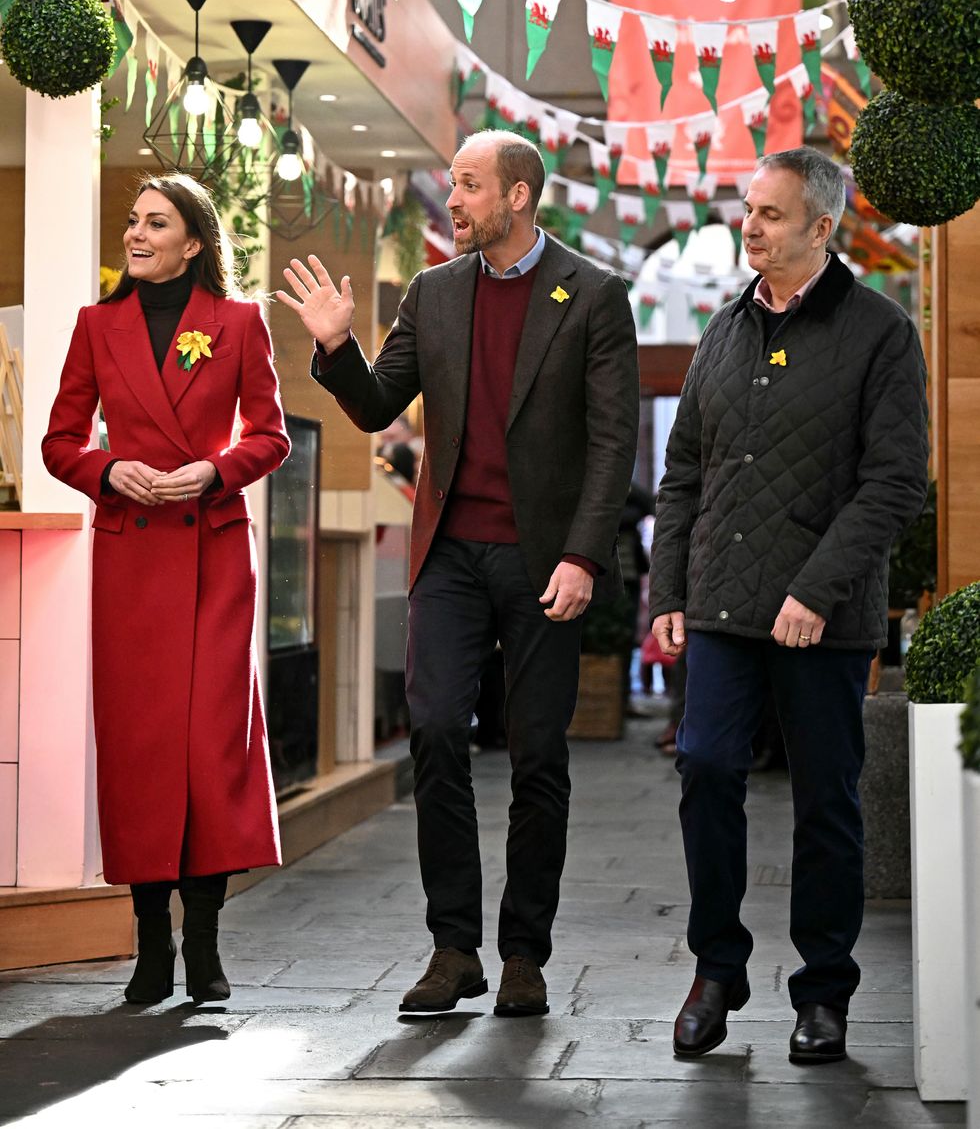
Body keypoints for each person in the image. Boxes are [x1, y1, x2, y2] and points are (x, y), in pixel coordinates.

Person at [277, 130, 639, 1017]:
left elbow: (611, 441)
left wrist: (586, 554)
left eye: (470, 186)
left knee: (538, 755)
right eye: (454, 183)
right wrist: (336, 348)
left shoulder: (594, 296)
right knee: (437, 731)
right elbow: (373, 406)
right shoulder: (435, 294)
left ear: (519, 197)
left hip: (545, 559)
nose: (456, 199)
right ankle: (455, 947)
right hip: (449, 553)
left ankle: (524, 953)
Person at [648, 148, 928, 1066]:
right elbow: (684, 472)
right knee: (707, 769)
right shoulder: (723, 332)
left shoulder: (881, 332)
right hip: (724, 611)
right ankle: (717, 970)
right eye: (747, 210)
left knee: (828, 803)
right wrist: (668, 592)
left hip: (825, 617)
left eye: (769, 213)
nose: (750, 226)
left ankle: (824, 991)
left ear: (820, 226)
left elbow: (894, 483)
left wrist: (817, 587)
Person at [43, 174, 289, 1007]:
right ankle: (152, 946)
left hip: (215, 555)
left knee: (210, 748)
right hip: (131, 561)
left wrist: (213, 472)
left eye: (156, 223)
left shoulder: (239, 323)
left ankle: (207, 946)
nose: (135, 234)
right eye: (131, 222)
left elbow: (271, 434)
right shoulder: (95, 325)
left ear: (194, 241)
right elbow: (59, 440)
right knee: (144, 751)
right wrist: (111, 470)